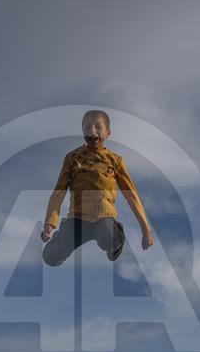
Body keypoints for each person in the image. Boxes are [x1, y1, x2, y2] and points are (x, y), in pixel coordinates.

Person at [41, 109, 153, 266]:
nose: (92, 131)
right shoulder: (72, 158)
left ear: (107, 132)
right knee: (50, 256)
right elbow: (59, 192)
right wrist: (49, 224)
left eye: (98, 127)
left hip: (103, 218)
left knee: (108, 239)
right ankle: (64, 241)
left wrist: (145, 229)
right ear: (83, 131)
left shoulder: (114, 160)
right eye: (87, 128)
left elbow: (130, 194)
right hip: (77, 219)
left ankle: (115, 235)